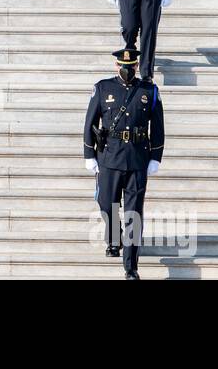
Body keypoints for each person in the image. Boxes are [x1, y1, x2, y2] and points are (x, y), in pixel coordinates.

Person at [82, 49, 164, 280]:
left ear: (137, 66)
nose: (126, 69)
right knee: (107, 204)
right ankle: (114, 238)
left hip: (138, 158)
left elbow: (158, 127)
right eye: (121, 65)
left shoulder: (149, 91)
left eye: (131, 66)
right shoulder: (102, 88)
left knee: (133, 213)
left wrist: (156, 157)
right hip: (109, 157)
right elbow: (90, 122)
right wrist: (89, 154)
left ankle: (131, 267)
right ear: (116, 66)